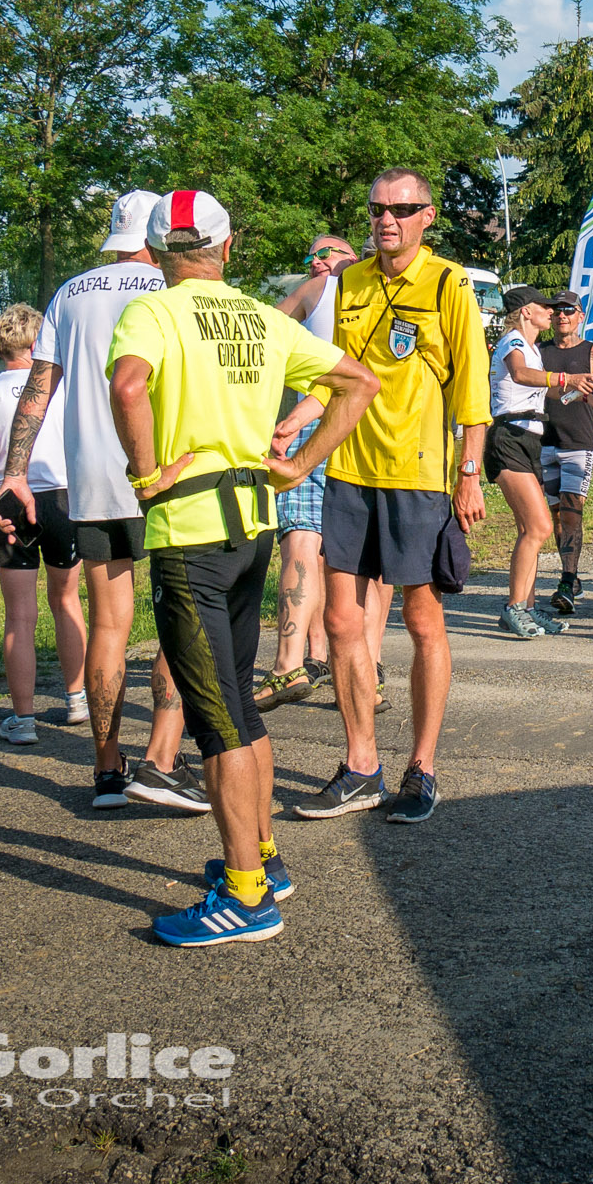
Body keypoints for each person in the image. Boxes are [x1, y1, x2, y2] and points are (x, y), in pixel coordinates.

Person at [108, 189, 378, 946]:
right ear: (227, 249)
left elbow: (128, 385)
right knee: (238, 703)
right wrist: (301, 467)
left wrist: (145, 471)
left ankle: (249, 898)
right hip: (251, 526)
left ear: (157, 255)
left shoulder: (152, 313)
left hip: (189, 533)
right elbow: (360, 383)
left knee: (218, 721)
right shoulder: (264, 317)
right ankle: (261, 854)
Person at [295, 168, 490, 826]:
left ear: (426, 216)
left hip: (419, 478)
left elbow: (472, 387)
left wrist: (469, 471)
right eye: (378, 208)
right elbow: (335, 375)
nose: (387, 219)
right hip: (349, 473)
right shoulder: (347, 281)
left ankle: (423, 767)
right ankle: (360, 766)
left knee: (423, 621)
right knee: (342, 623)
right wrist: (301, 417)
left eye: (402, 209)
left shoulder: (447, 282)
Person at [0, 191, 202, 813]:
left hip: (92, 478)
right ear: (160, 235)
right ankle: (161, 762)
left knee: (110, 623)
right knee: (180, 621)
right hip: (166, 472)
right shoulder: (174, 287)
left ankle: (107, 771)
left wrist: (14, 471)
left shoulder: (70, 293)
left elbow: (37, 388)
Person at [0, 304, 88, 743]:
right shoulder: (63, 388)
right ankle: (76, 700)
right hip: (63, 499)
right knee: (67, 602)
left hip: (11, 501)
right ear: (38, 344)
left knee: (20, 617)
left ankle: (24, 720)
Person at [257, 234, 362, 709]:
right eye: (313, 255)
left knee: (317, 540)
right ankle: (321, 658)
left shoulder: (344, 287)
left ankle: (294, 662)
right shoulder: (319, 289)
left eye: (328, 251)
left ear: (353, 258)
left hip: (327, 420)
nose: (319, 260)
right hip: (334, 420)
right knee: (315, 540)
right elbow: (262, 336)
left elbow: (258, 333)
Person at [488, 285, 593, 638]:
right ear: (525, 312)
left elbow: (541, 387)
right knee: (539, 527)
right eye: (544, 307)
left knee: (527, 530)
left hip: (529, 438)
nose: (552, 311)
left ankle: (528, 609)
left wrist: (580, 389)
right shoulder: (514, 342)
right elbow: (519, 374)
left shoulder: (532, 347)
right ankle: (515, 608)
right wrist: (565, 377)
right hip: (510, 437)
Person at [539, 289, 593, 615]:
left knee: (572, 512)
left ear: (580, 316)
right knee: (556, 517)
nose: (562, 316)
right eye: (557, 311)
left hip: (578, 444)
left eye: (569, 311)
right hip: (543, 443)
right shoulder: (538, 351)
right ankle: (571, 575)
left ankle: (567, 582)